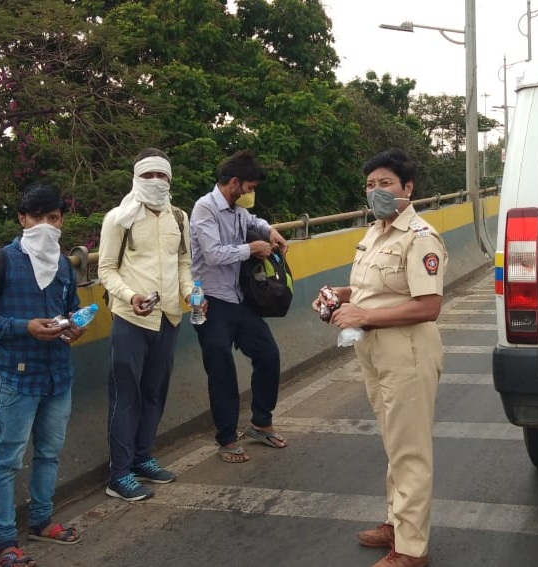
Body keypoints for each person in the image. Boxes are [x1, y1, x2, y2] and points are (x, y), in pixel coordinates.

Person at [312, 148, 447, 567]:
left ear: (408, 188)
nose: (376, 191)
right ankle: (395, 521)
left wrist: (365, 314)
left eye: (385, 183)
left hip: (406, 349)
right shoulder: (374, 233)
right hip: (373, 349)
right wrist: (339, 295)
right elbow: (373, 288)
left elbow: (428, 305)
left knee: (409, 449)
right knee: (393, 441)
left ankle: (410, 549)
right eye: (370, 185)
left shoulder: (420, 236)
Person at [0, 182, 86, 567]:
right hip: (17, 379)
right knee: (8, 461)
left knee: (49, 454)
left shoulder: (64, 264)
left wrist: (73, 327)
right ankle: (2, 543)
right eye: (38, 218)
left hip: (57, 377)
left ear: (61, 220)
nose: (46, 226)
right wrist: (24, 327)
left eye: (53, 218)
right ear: (22, 219)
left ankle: (41, 521)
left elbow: (73, 307)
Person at [98, 148, 194, 501]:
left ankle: (142, 458)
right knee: (126, 397)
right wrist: (129, 295)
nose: (156, 182)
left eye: (162, 175)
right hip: (130, 320)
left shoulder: (179, 218)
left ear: (170, 179)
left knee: (154, 393)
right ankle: (118, 474)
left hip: (169, 318)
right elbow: (105, 269)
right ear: (136, 178)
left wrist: (189, 292)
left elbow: (183, 262)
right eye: (148, 175)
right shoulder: (118, 220)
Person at [190, 149, 290, 464]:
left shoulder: (236, 210)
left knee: (268, 354)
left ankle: (261, 421)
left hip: (237, 298)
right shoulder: (204, 209)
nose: (251, 194)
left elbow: (253, 220)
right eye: (249, 188)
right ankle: (227, 438)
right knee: (221, 370)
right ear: (234, 183)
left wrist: (268, 231)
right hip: (210, 300)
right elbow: (213, 254)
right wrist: (251, 248)